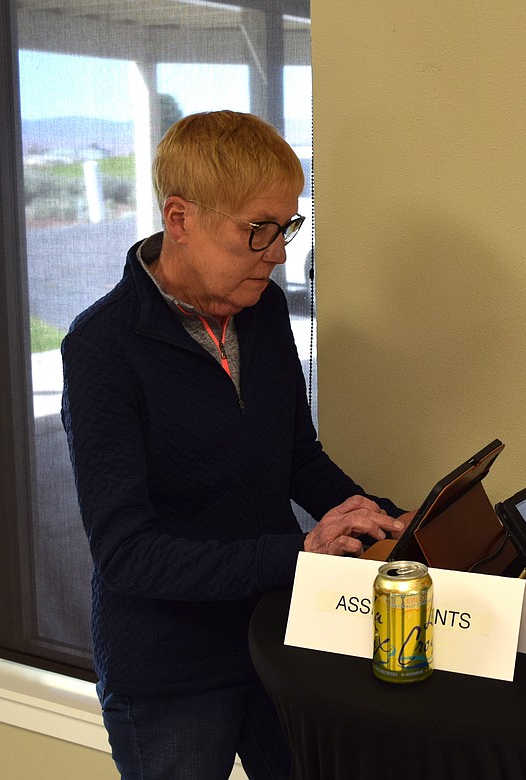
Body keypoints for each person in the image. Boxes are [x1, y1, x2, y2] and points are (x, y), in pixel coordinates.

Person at [61, 110, 412, 780]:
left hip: (274, 636)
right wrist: (301, 554)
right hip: (171, 670)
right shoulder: (102, 349)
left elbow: (297, 457)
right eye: (259, 230)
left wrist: (377, 515)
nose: (279, 253)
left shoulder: (263, 310)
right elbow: (127, 556)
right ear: (181, 218)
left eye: (287, 227)